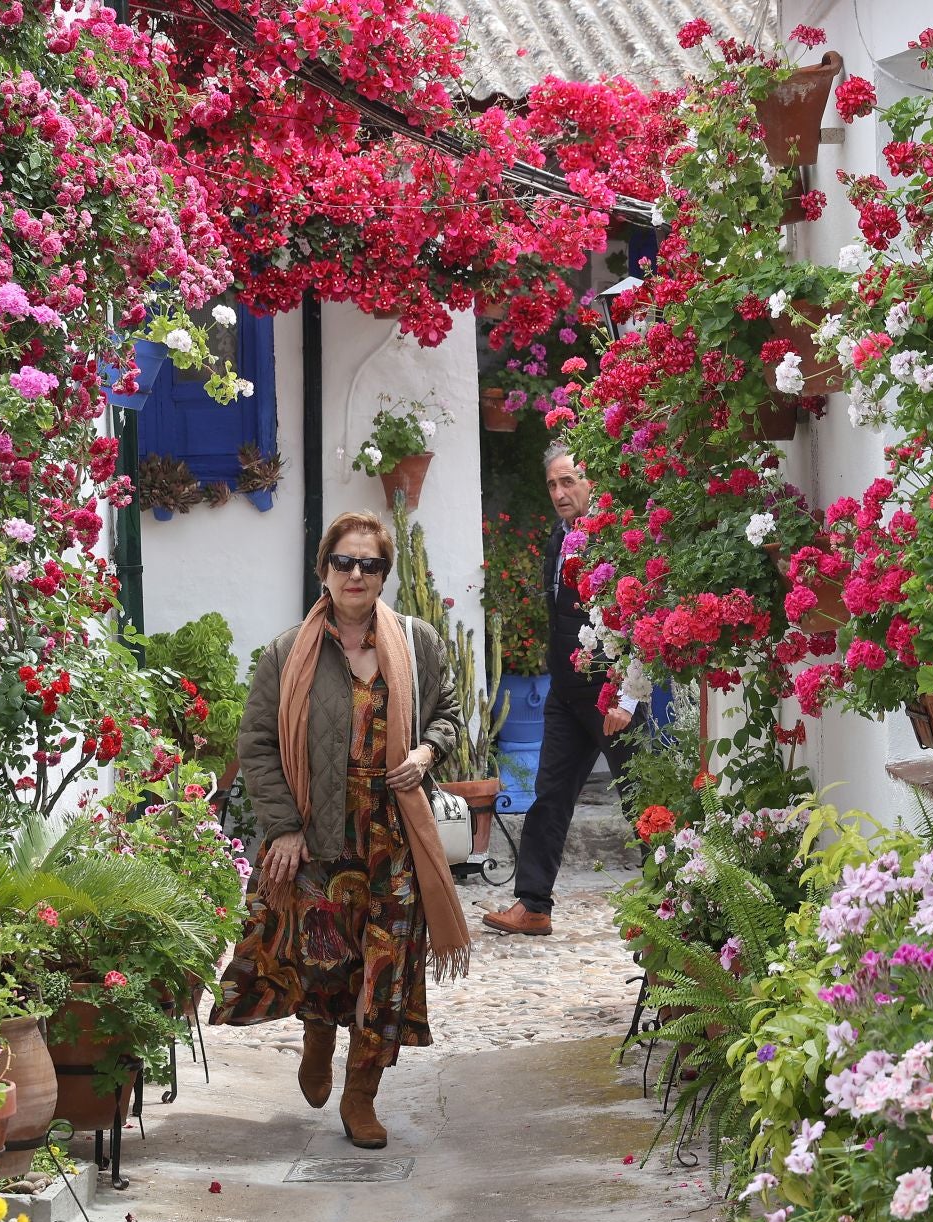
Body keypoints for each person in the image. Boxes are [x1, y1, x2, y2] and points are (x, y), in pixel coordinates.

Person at [211, 511, 472, 1148]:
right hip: (319, 833)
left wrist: (427, 754)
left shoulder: (418, 643)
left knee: (386, 969)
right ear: (324, 570)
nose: (357, 575)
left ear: (385, 574)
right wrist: (284, 829)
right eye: (345, 563)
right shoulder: (285, 654)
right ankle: (317, 1033)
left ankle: (362, 1094)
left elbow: (449, 715)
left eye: (371, 565)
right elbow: (258, 744)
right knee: (324, 962)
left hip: (395, 835)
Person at [484, 444, 640, 938]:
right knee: (548, 795)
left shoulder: (614, 541)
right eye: (553, 484)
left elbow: (640, 620)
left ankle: (678, 903)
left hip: (611, 695)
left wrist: (629, 697)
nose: (560, 492)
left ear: (591, 482)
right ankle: (533, 905)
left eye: (569, 481)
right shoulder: (560, 538)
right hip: (566, 693)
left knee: (643, 798)